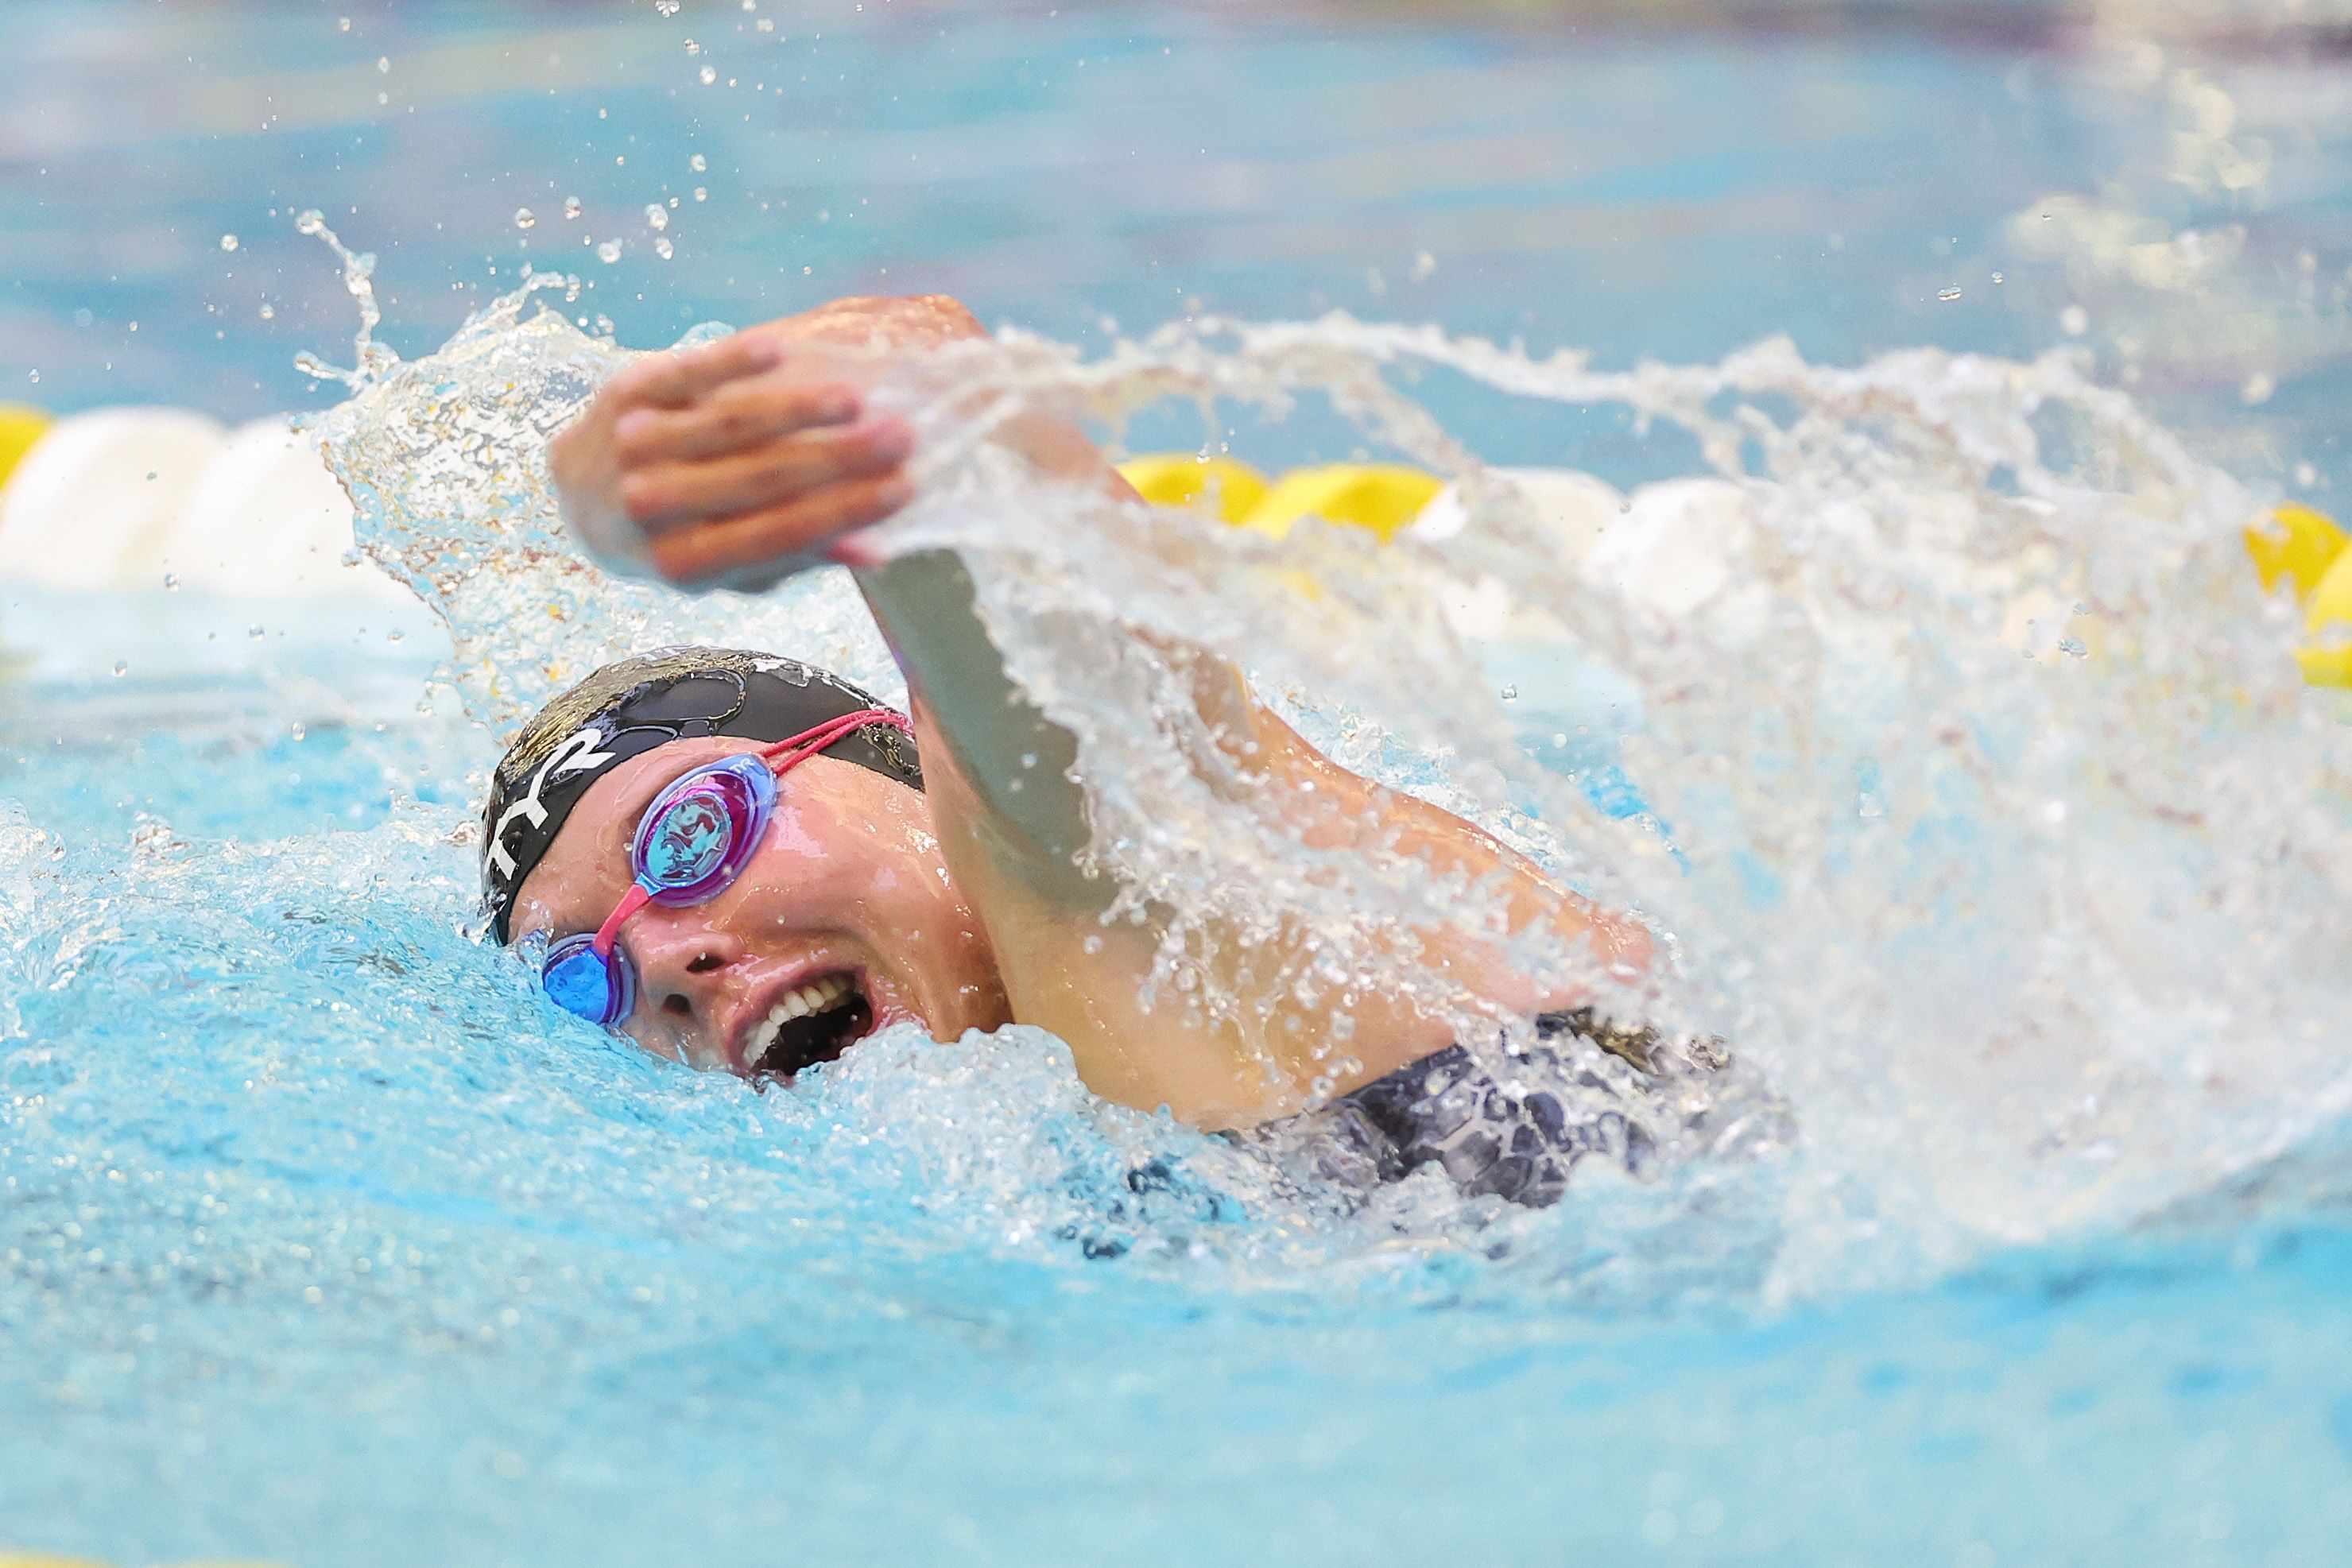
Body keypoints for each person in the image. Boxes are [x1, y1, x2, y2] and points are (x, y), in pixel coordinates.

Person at [492, 295, 1726, 1207]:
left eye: (692, 833)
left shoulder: (1130, 864)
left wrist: (717, 433)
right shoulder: (1044, 1132)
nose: (663, 958)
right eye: (585, 979)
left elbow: (925, 381)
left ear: (898, 761)